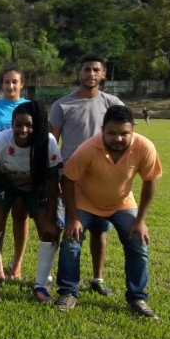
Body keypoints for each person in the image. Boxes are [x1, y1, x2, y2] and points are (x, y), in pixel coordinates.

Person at [55, 106, 162, 318]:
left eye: (124, 133)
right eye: (112, 133)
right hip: (85, 201)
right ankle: (68, 292)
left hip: (121, 203)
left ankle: (137, 297)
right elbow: (67, 181)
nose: (118, 139)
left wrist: (140, 221)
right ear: (103, 129)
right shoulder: (88, 148)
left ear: (133, 130)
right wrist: (73, 218)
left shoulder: (144, 147)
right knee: (71, 241)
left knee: (138, 242)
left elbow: (150, 183)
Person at [49, 54, 123, 297]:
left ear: (103, 74)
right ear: (79, 73)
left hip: (102, 180)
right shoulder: (63, 105)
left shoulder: (114, 105)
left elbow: (124, 140)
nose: (91, 73)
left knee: (100, 230)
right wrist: (56, 178)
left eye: (96, 69)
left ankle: (97, 278)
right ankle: (53, 276)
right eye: (86, 69)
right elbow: (52, 143)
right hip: (70, 179)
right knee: (65, 228)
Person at [0, 101, 61, 303]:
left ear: (39, 125)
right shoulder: (1, 140)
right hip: (5, 184)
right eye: (18, 124)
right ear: (12, 124)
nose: (23, 130)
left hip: (35, 187)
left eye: (29, 125)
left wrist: (51, 218)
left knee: (49, 231)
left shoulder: (47, 142)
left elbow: (53, 181)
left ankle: (41, 285)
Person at [0, 66, 31, 280]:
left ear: (22, 84)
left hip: (25, 173)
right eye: (6, 82)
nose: (10, 86)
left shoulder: (30, 107)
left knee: (21, 217)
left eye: (15, 82)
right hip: (1, 172)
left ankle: (17, 265)